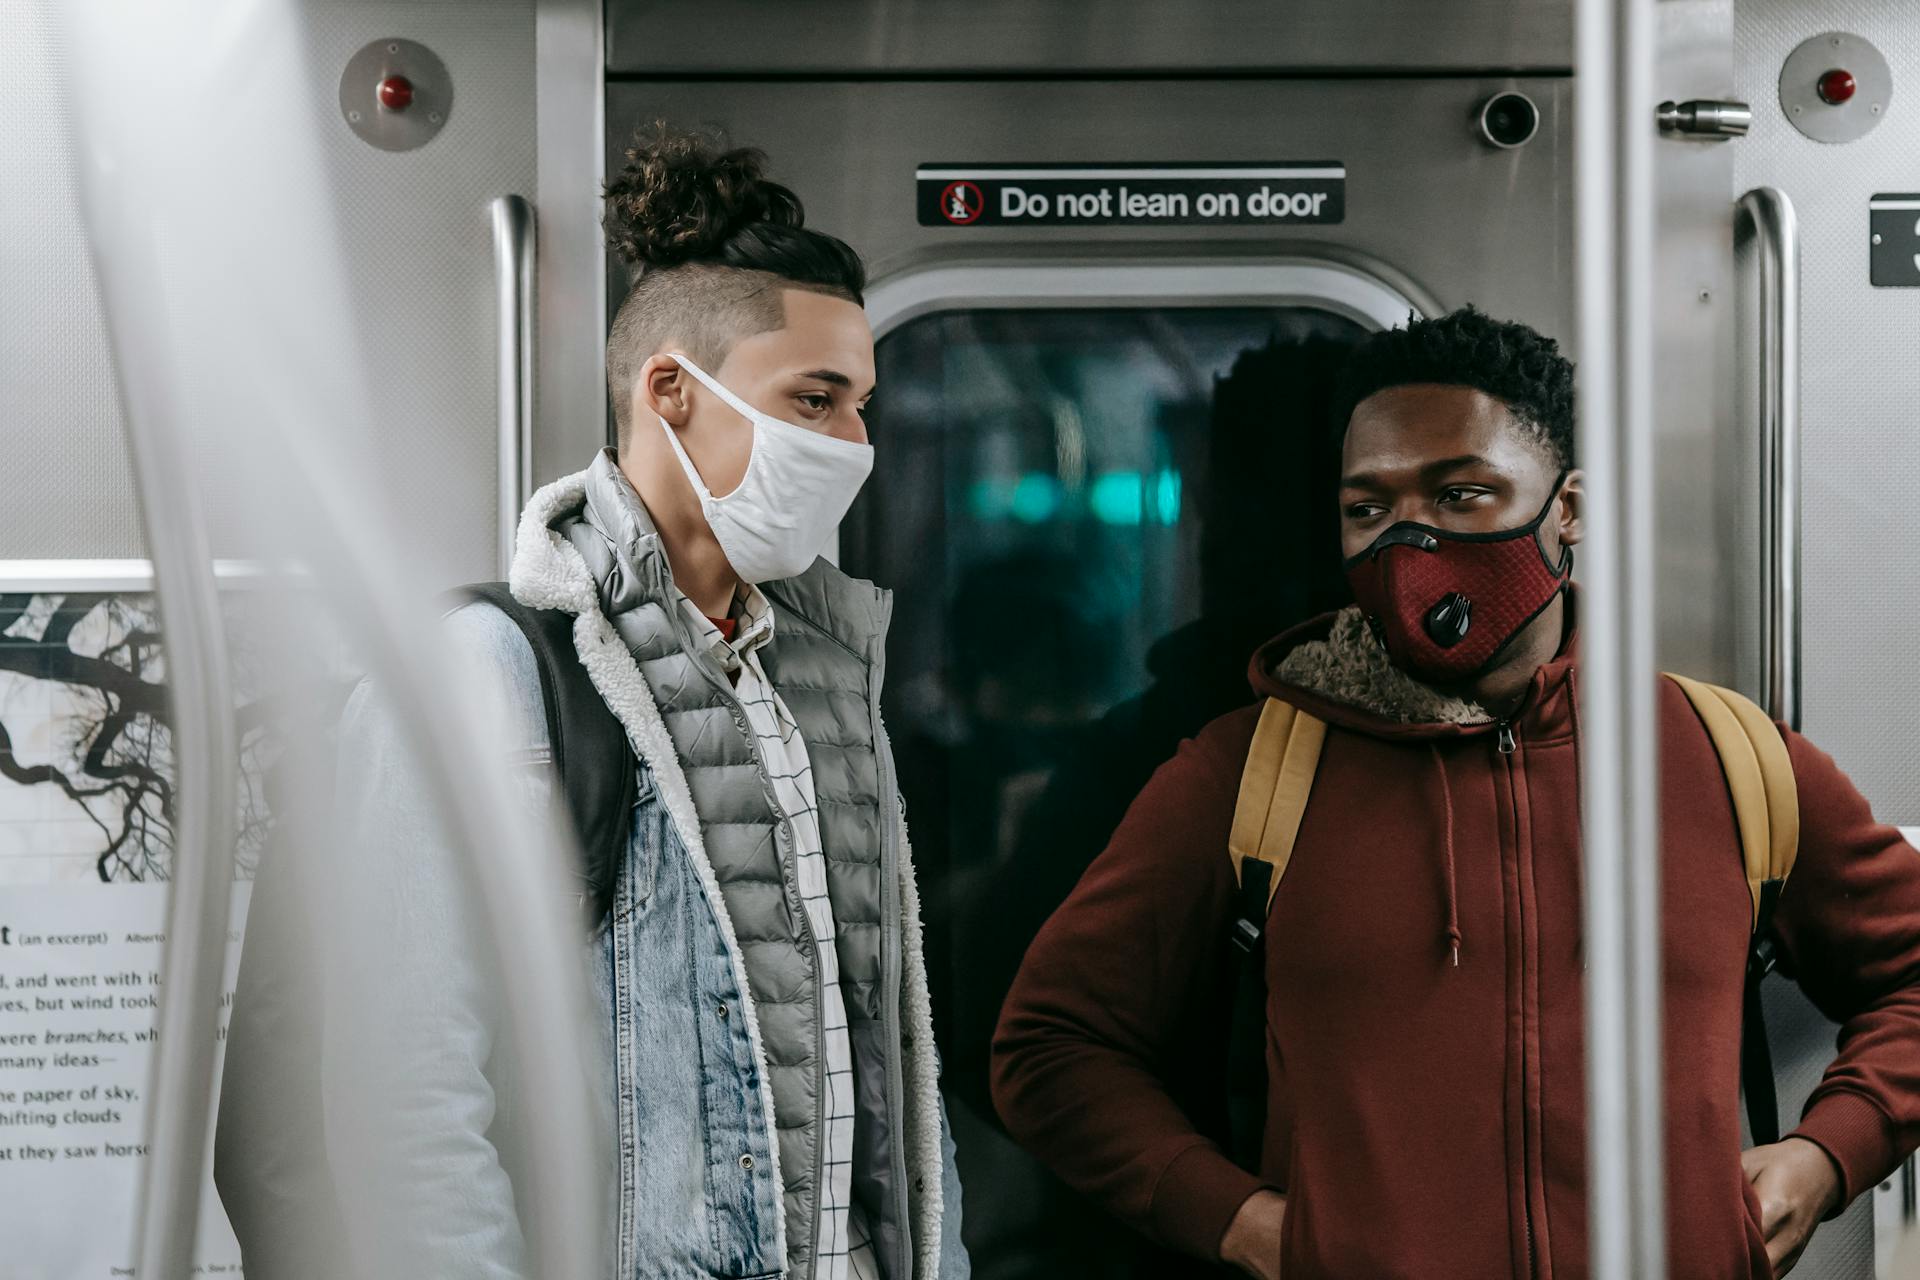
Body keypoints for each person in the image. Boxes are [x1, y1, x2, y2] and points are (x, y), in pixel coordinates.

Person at [990, 307, 1920, 1279]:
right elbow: (1052, 1044)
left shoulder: (1725, 758)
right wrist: (1244, 1221)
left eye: (1462, 493)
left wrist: (1827, 1154)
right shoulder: (1255, 770)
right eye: (1368, 507)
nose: (1410, 536)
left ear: (1569, 511)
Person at [216, 125, 969, 1280]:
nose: (855, 443)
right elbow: (407, 1103)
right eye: (815, 400)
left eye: (862, 404)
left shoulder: (818, 682)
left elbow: (888, 1066)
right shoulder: (489, 676)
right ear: (671, 391)